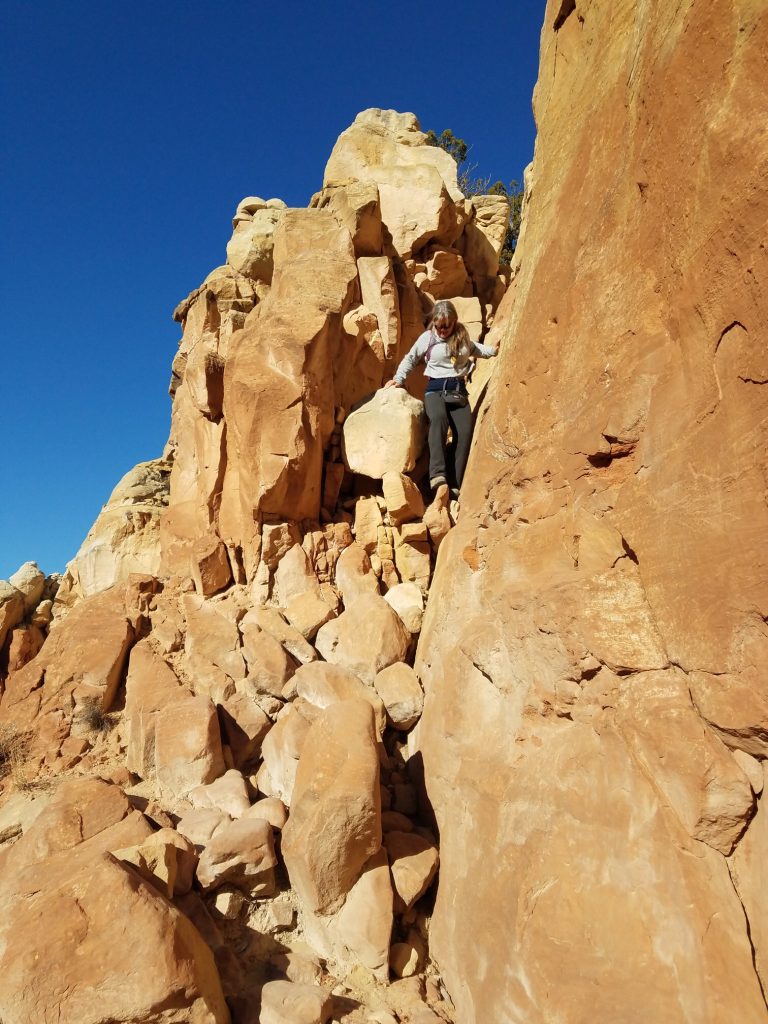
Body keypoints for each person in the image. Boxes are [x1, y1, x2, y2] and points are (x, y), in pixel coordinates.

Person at [385, 299, 498, 496]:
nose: (442, 330)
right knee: (438, 420)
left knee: (463, 434)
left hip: (458, 391)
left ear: (454, 321)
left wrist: (493, 351)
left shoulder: (462, 337)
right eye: (438, 326)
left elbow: (475, 349)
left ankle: (455, 484)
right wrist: (398, 378)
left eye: (446, 326)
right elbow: (411, 358)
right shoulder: (427, 338)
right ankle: (437, 475)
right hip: (435, 390)